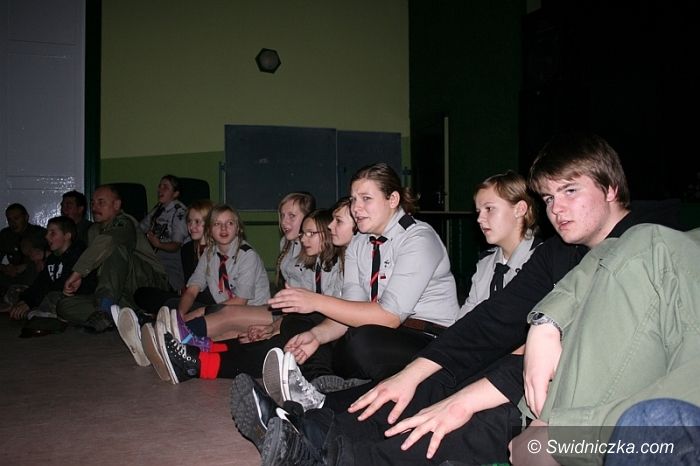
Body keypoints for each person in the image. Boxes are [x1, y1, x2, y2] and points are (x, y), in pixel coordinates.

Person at [241, 132, 682, 466]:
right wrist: (415, 371)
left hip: (600, 402)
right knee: (440, 372)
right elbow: (493, 319)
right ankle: (316, 424)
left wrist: (469, 394)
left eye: (570, 191)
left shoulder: (653, 245)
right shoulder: (561, 252)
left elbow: (591, 350)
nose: (556, 209)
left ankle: (343, 455)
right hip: (535, 371)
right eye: (549, 196)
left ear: (610, 188)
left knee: (481, 406)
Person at [261, 162, 461, 412]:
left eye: (366, 198)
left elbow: (389, 317)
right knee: (300, 322)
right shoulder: (359, 243)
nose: (356, 208)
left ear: (392, 199)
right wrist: (317, 335)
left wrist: (315, 300)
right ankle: (320, 386)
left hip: (427, 339)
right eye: (354, 199)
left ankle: (332, 395)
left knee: (361, 341)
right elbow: (351, 309)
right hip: (377, 334)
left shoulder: (418, 238)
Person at [508, 224, 700, 466]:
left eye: (490, 209)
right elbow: (613, 248)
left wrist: (564, 439)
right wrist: (545, 322)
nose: (556, 209)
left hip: (598, 430)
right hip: (557, 417)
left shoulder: (654, 240)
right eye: (547, 203)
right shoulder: (652, 240)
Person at [151, 207, 350, 385]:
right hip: (295, 320)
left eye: (309, 233)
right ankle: (185, 347)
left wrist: (275, 326)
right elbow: (192, 288)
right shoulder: (316, 261)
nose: (303, 238)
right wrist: (273, 327)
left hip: (299, 322)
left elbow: (323, 313)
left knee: (253, 330)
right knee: (176, 304)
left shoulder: (340, 265)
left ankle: (188, 351)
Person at [117, 199, 216, 368]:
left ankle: (148, 329)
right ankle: (155, 324)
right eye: (190, 222)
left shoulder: (216, 251)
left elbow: (210, 293)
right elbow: (189, 284)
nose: (192, 226)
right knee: (142, 293)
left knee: (170, 304)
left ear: (210, 224)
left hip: (208, 305)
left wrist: (183, 303)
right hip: (189, 299)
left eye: (198, 222)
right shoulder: (187, 250)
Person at [58, 184, 169, 332]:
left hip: (147, 283)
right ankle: (129, 316)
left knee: (114, 248)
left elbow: (108, 241)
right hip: (119, 292)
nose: (95, 207)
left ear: (116, 205)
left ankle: (105, 311)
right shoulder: (93, 231)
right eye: (93, 203)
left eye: (101, 202)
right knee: (64, 306)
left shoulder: (125, 223)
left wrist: (78, 273)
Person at [9, 216, 97, 336]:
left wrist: (30, 302)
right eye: (47, 232)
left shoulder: (78, 254)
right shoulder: (53, 258)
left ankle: (43, 315)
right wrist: (25, 300)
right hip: (53, 295)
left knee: (53, 296)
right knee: (17, 291)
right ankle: (36, 311)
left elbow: (61, 286)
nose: (47, 236)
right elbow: (41, 282)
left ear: (67, 236)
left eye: (52, 233)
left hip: (77, 298)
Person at [138, 175, 188, 291]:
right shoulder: (158, 209)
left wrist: (159, 244)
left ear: (175, 194)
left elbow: (176, 245)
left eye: (165, 187)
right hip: (154, 254)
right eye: (160, 186)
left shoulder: (179, 212)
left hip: (170, 257)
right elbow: (140, 228)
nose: (160, 189)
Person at [0, 203, 47, 300]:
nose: (13, 223)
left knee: (37, 269)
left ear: (26, 217)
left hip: (31, 274)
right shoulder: (5, 235)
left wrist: (25, 266)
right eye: (9, 220)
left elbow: (51, 256)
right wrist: (5, 268)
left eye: (16, 218)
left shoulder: (39, 233)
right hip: (12, 274)